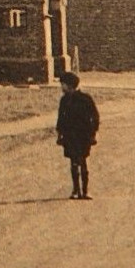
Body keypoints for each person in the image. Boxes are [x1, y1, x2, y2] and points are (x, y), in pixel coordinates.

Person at [55, 70, 100, 200]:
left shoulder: (85, 99)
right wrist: (60, 134)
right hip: (70, 135)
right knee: (74, 163)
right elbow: (61, 119)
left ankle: (85, 191)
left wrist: (94, 133)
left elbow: (95, 116)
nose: (61, 87)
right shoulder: (64, 101)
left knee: (83, 161)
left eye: (63, 84)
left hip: (83, 135)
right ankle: (76, 190)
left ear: (69, 85)